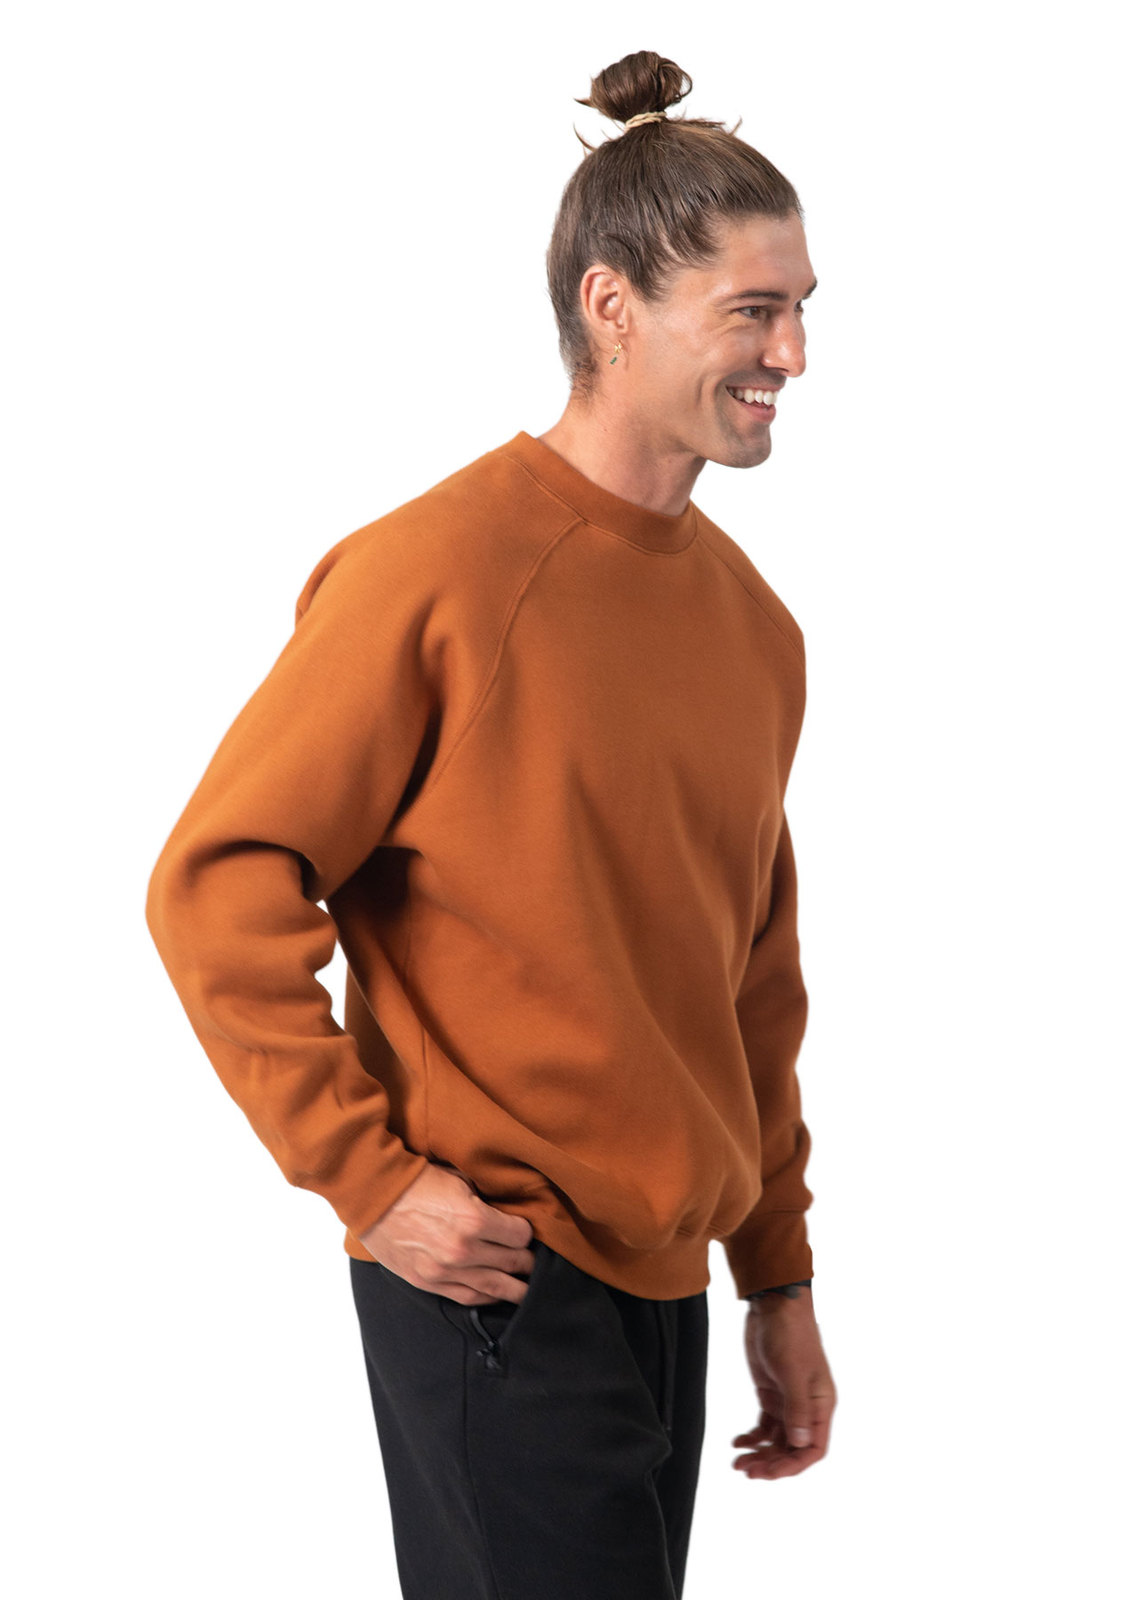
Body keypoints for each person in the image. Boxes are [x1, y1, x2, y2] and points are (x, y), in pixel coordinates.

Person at [145, 48, 837, 1600]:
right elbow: (219, 882)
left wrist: (777, 1275)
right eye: (754, 311)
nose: (793, 352)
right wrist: (371, 1181)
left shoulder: (755, 629)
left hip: (666, 1278)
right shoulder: (439, 575)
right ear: (612, 306)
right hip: (495, 1273)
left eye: (802, 310)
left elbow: (749, 982)